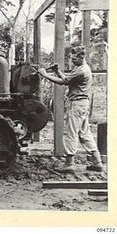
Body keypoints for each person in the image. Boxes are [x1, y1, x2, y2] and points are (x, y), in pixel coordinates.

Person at [38, 45, 103, 173]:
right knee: (85, 133)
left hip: (77, 105)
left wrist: (45, 75)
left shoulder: (81, 70)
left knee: (71, 133)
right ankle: (97, 162)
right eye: (71, 59)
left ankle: (69, 164)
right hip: (83, 105)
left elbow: (64, 82)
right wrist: (57, 71)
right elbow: (67, 79)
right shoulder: (81, 68)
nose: (72, 61)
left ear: (81, 57)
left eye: (74, 59)